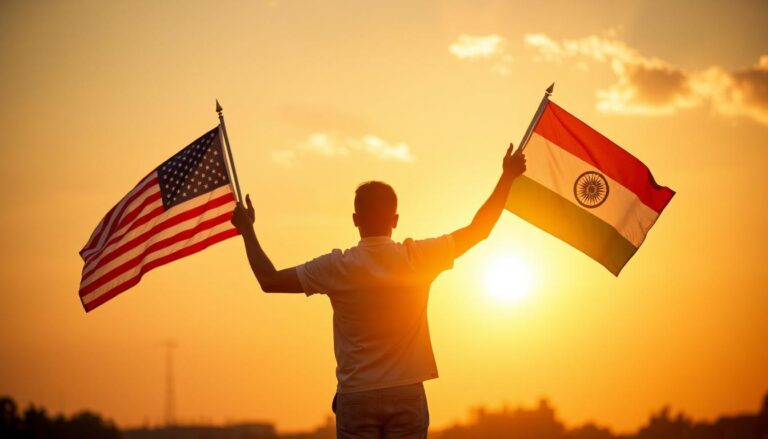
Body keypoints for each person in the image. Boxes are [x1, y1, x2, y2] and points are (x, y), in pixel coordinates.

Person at [230, 143, 526, 439]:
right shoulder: (418, 257)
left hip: (356, 395)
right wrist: (507, 177)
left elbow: (269, 280)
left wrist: (247, 231)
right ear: (395, 220)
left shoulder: (336, 266)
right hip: (407, 391)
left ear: (355, 219)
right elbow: (479, 230)